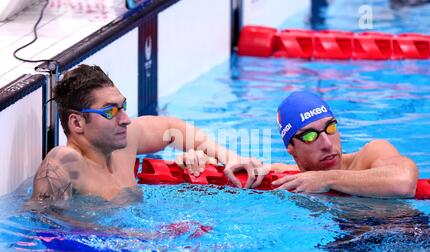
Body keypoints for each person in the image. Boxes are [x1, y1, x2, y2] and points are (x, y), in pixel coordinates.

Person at [30, 64, 264, 202]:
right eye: (110, 112)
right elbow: (44, 231)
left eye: (123, 106)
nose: (124, 119)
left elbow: (172, 128)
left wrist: (228, 157)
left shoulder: (123, 144)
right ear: (77, 123)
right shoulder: (65, 162)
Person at [270, 91, 419, 198]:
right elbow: (260, 169)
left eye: (330, 128)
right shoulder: (292, 175)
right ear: (291, 149)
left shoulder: (370, 155)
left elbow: (404, 182)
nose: (327, 144)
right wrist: (247, 164)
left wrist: (327, 179)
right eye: (310, 136)